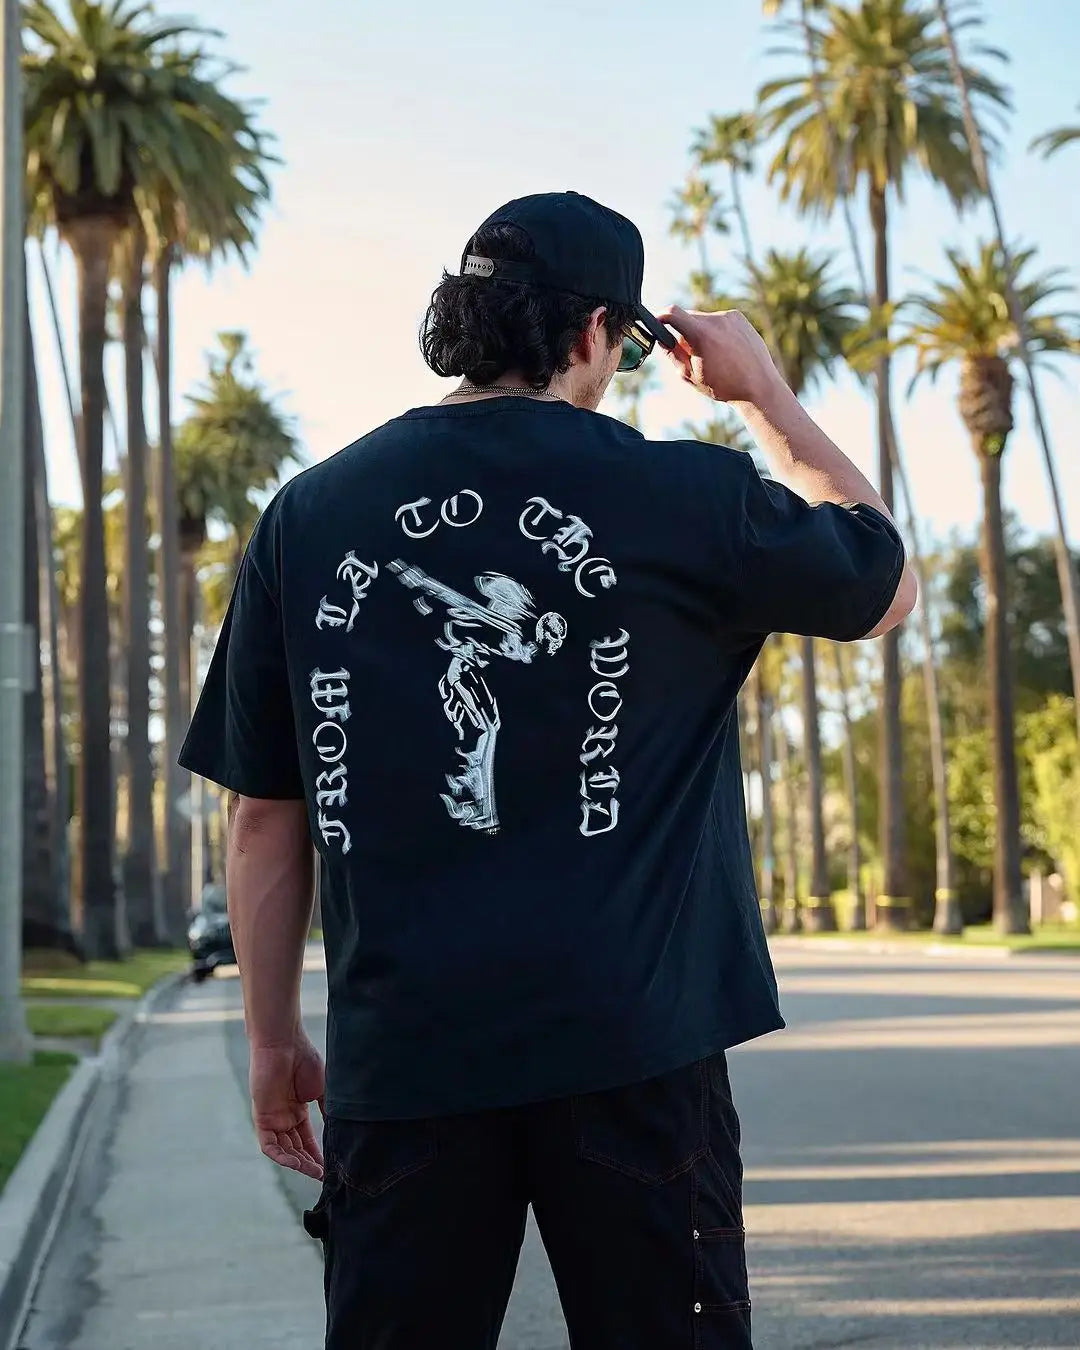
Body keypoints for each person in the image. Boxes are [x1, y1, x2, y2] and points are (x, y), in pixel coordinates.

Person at [180, 191, 915, 1349]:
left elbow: (265, 820)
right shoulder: (688, 496)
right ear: (596, 332)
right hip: (637, 1053)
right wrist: (765, 395)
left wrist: (273, 1042)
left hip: (405, 1064)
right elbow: (887, 587)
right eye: (626, 347)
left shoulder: (307, 516)